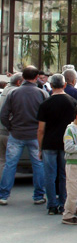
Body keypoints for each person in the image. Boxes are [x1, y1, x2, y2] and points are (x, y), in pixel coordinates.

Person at [0, 66, 48, 206]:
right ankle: (39, 195)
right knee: (38, 164)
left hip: (16, 133)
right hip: (35, 134)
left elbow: (3, 114)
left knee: (10, 164)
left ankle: (4, 195)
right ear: (36, 77)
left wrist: (10, 127)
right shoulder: (42, 94)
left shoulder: (13, 93)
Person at [37, 74, 77, 215]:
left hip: (49, 143)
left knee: (49, 174)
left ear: (51, 86)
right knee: (64, 174)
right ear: (64, 85)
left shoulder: (45, 104)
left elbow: (41, 129)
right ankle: (63, 204)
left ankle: (52, 205)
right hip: (67, 143)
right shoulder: (73, 102)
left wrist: (40, 147)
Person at [0, 73, 23, 179]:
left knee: (2, 160)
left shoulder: (5, 90)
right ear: (19, 82)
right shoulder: (15, 92)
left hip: (1, 130)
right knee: (11, 161)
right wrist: (10, 127)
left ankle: (2, 185)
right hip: (9, 131)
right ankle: (5, 186)